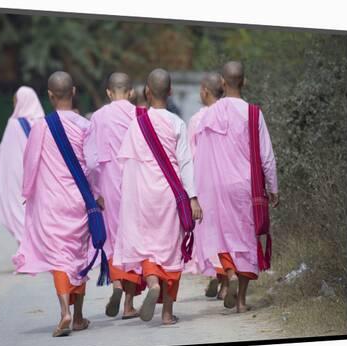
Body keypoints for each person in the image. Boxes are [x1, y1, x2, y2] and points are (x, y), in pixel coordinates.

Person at [114, 68, 202, 325]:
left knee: (149, 249)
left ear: (146, 92)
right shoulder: (177, 123)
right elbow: (186, 163)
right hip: (170, 194)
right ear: (171, 91)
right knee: (171, 249)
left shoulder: (137, 123)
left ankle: (152, 282)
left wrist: (128, 202)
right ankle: (166, 313)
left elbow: (127, 166)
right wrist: (193, 197)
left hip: (143, 196)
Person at [12, 72, 95, 336]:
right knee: (78, 256)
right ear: (73, 92)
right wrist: (97, 196)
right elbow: (92, 166)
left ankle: (65, 313)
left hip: (51, 202)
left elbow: (31, 161)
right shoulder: (85, 125)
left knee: (60, 258)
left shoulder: (41, 126)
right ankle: (79, 316)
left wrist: (27, 191)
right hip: (79, 200)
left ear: (49, 95)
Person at [194, 61, 279, 313]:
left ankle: (228, 273)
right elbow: (266, 156)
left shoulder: (208, 115)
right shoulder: (254, 113)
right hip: (245, 188)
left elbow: (201, 155)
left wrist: (197, 194)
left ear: (222, 82)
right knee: (245, 240)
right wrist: (273, 186)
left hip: (216, 188)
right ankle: (241, 301)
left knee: (222, 237)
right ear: (244, 81)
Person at [84, 72, 142, 319]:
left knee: (114, 239)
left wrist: (95, 191)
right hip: (136, 183)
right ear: (130, 92)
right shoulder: (141, 115)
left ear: (108, 93)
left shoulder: (97, 117)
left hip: (108, 183)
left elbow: (91, 160)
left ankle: (117, 285)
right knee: (134, 239)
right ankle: (128, 304)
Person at [184, 73, 229, 299]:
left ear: (204, 91)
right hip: (231, 182)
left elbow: (190, 157)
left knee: (212, 234)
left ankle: (220, 278)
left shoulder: (197, 119)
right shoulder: (231, 113)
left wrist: (191, 195)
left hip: (206, 184)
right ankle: (225, 280)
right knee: (229, 232)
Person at [0, 86, 45, 244]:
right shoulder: (43, 123)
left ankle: (26, 252)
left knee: (20, 213)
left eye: (15, 102)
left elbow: (7, 157)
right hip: (42, 178)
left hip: (19, 179)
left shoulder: (14, 125)